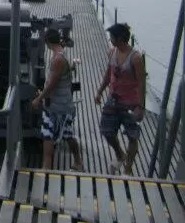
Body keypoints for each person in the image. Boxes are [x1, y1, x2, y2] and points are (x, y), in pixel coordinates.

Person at [94, 22, 146, 175]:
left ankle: (128, 167)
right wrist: (100, 91)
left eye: (112, 37)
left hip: (130, 103)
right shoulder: (112, 52)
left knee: (132, 135)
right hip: (113, 99)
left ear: (121, 39)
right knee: (107, 131)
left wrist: (140, 106)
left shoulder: (135, 58)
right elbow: (108, 74)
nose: (110, 40)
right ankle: (119, 154)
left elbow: (142, 83)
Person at [31, 29, 84, 171]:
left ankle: (47, 168)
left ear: (47, 41)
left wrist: (39, 99)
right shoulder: (59, 54)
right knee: (63, 135)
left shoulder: (58, 59)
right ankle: (77, 162)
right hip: (58, 105)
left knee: (50, 135)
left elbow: (52, 86)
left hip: (58, 107)